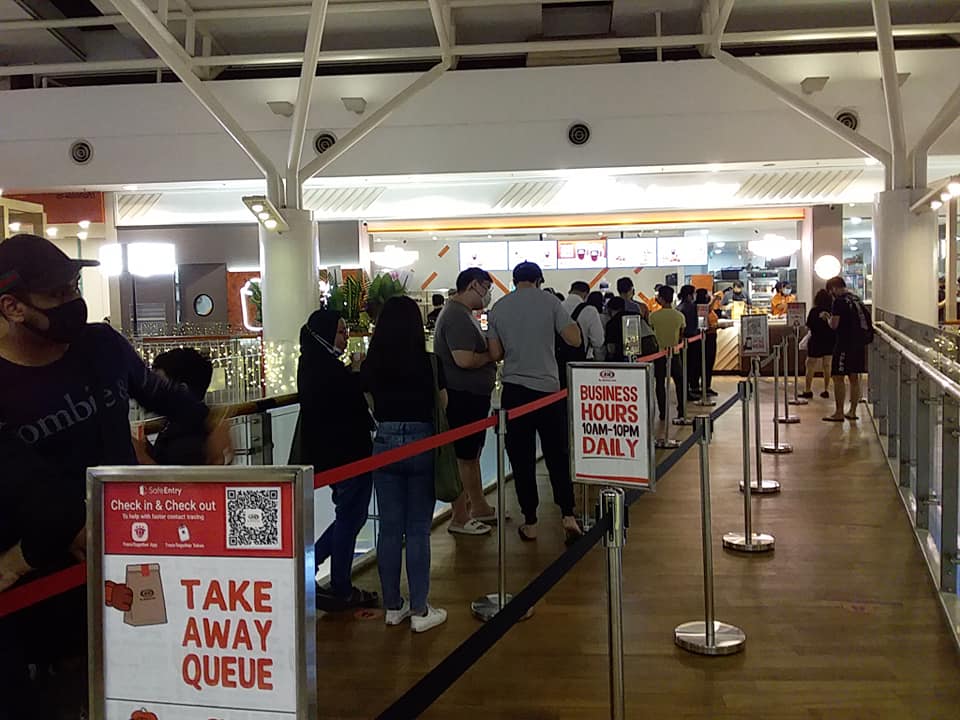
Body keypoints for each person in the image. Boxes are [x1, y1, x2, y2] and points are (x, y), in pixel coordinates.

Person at [0, 234, 232, 718]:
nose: (73, 301)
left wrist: (211, 422)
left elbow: (163, 396)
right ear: (12, 307)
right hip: (43, 577)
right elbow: (22, 486)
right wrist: (49, 540)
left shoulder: (102, 346)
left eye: (73, 286)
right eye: (57, 294)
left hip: (130, 553)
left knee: (146, 684)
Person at [361, 295, 447, 632]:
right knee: (417, 529)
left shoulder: (372, 363)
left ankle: (392, 606)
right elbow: (442, 403)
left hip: (384, 442)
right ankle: (420, 608)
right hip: (422, 441)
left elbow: (370, 402)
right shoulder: (429, 362)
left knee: (389, 528)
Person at [487, 262, 583, 544]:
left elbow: (495, 353)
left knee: (521, 459)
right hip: (548, 391)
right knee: (557, 455)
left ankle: (530, 522)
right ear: (539, 280)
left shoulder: (499, 308)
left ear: (514, 280)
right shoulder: (550, 302)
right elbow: (574, 339)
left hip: (515, 392)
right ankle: (568, 516)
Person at [292, 309, 379, 612]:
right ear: (326, 333)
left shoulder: (312, 362)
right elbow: (347, 400)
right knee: (351, 517)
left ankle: (312, 567)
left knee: (350, 515)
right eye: (341, 332)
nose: (345, 338)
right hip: (347, 454)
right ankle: (339, 584)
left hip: (333, 454)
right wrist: (356, 373)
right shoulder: (326, 368)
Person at [433, 267, 497, 536]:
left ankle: (478, 506)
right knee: (463, 457)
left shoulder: (464, 314)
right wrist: (491, 356)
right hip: (462, 397)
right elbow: (464, 359)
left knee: (471, 455)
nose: (488, 294)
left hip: (472, 396)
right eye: (486, 288)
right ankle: (460, 515)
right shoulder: (456, 316)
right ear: (473, 285)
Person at [147, 347, 214, 465]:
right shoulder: (178, 422)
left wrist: (142, 457)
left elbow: (175, 475)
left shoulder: (193, 434)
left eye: (160, 385)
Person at [822, 276, 873, 423]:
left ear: (833, 288)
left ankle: (839, 412)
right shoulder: (856, 299)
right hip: (859, 344)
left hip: (844, 343)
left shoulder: (839, 301)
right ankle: (852, 411)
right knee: (854, 377)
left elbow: (834, 325)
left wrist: (827, 318)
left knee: (838, 377)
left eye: (831, 292)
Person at [649, 286, 687, 421]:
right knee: (679, 383)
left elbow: (651, 334)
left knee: (660, 383)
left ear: (660, 298)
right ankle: (681, 411)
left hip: (658, 355)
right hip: (675, 354)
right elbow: (681, 335)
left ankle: (663, 412)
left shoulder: (653, 316)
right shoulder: (679, 316)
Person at [800, 289, 835, 399]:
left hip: (816, 340)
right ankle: (826, 389)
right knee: (827, 366)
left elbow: (809, 325)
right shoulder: (832, 311)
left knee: (810, 365)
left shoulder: (814, 311)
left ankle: (808, 390)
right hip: (830, 341)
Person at [563, 281, 605, 360]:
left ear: (570, 291)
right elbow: (598, 341)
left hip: (558, 360)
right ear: (586, 294)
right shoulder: (590, 310)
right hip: (581, 360)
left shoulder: (557, 307)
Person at [676, 285, 702, 399]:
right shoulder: (692, 307)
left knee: (684, 367)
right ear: (689, 295)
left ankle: (685, 391)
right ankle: (688, 391)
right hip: (692, 340)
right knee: (691, 366)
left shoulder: (678, 307)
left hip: (681, 341)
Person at [695, 288, 721, 397]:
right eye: (707, 295)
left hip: (711, 338)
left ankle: (706, 386)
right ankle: (702, 387)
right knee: (705, 362)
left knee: (709, 363)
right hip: (706, 339)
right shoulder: (701, 308)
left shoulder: (706, 308)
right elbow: (703, 326)